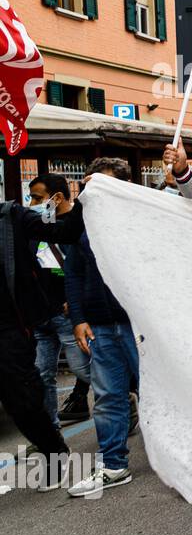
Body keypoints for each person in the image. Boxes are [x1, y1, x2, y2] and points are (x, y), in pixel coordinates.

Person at [0, 175, 85, 489]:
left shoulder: (11, 218)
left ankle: (54, 450)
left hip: (12, 328)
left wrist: (87, 196)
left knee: (22, 401)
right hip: (28, 323)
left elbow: (67, 231)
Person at [65, 158, 141, 497]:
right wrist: (79, 318)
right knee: (109, 397)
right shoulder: (84, 226)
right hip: (100, 325)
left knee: (163, 393)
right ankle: (113, 465)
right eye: (90, 185)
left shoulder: (143, 221)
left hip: (139, 324)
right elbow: (74, 273)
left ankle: (189, 455)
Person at [26, 175, 93, 433]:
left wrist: (77, 303)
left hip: (68, 314)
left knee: (84, 371)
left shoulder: (79, 226)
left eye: (38, 198)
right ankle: (50, 431)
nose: (32, 203)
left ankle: (124, 396)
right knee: (42, 375)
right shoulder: (38, 227)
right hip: (42, 314)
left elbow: (86, 269)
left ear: (58, 197)